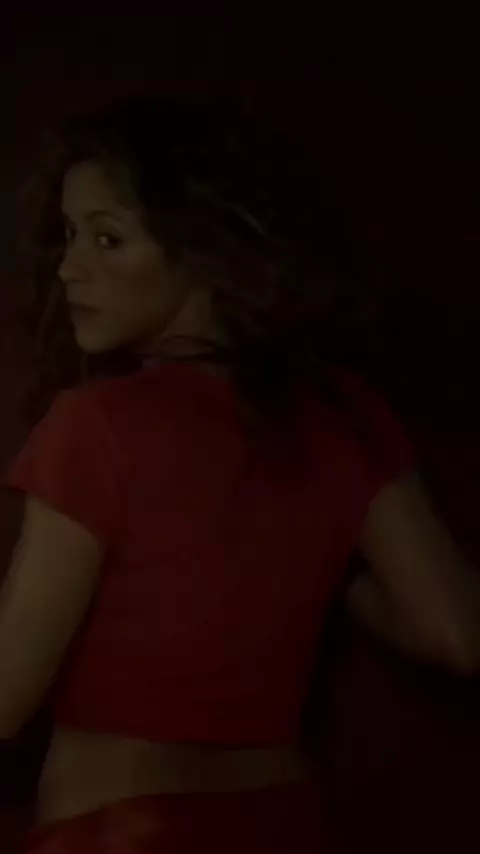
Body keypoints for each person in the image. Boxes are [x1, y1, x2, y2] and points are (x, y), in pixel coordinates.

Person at [0, 95, 479, 853]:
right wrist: (319, 562)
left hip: (120, 831)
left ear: (204, 251)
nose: (68, 268)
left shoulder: (95, 424)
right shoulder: (345, 414)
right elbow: (457, 635)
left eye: (108, 238)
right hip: (284, 824)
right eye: (68, 235)